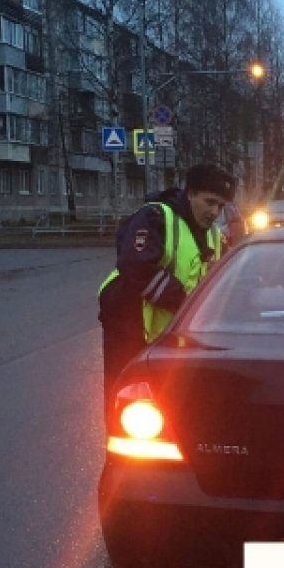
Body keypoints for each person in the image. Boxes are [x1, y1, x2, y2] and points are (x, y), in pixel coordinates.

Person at [98, 163, 236, 431]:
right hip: (130, 327)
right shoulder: (156, 217)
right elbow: (135, 264)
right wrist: (188, 304)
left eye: (221, 206)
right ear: (190, 193)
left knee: (172, 407)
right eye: (209, 202)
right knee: (127, 404)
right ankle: (120, 464)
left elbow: (224, 282)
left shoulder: (214, 236)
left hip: (177, 335)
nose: (214, 212)